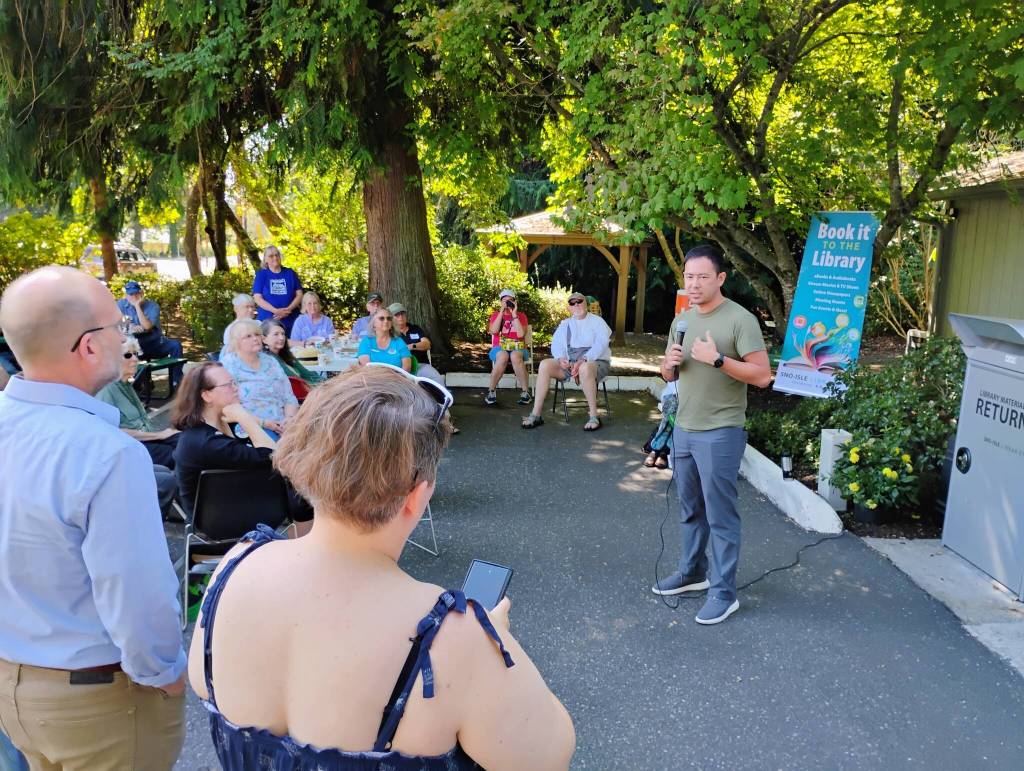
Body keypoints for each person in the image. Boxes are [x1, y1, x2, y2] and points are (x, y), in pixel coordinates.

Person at [187, 365, 576, 769]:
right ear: (417, 495)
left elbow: (204, 682)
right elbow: (549, 757)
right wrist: (495, 645)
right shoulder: (453, 637)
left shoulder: (235, 566)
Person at [0, 266, 186, 768]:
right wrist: (165, 673)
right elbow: (136, 592)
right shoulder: (105, 453)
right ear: (87, 346)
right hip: (98, 698)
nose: (125, 335)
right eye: (116, 326)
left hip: (14, 688)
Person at [652, 244, 772, 625]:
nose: (695, 283)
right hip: (684, 429)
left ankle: (724, 593)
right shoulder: (682, 320)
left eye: (703, 276)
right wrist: (667, 367)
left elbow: (763, 376)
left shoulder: (740, 320)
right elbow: (669, 374)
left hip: (721, 432)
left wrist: (718, 360)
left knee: (720, 516)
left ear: (720, 278)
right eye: (689, 276)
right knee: (690, 510)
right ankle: (692, 573)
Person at [171, 362, 313, 535]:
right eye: (228, 385)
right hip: (221, 521)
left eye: (234, 382)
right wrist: (244, 418)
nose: (236, 388)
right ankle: (301, 551)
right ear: (207, 395)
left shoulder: (215, 428)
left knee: (298, 485)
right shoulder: (205, 441)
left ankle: (301, 550)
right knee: (299, 490)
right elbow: (273, 457)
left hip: (233, 504)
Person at [521, 291, 611, 431]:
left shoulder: (598, 322)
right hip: (571, 363)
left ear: (585, 303)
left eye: (579, 301)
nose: (576, 305)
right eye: (572, 303)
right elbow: (556, 344)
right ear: (569, 307)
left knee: (585, 368)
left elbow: (601, 343)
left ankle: (594, 416)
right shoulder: (565, 324)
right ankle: (536, 414)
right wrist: (561, 358)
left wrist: (584, 359)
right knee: (545, 364)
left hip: (595, 362)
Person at [96, 336, 181, 467]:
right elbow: (110, 433)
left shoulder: (125, 385)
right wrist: (159, 435)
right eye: (128, 355)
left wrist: (162, 435)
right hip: (132, 448)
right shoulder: (106, 390)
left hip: (148, 440)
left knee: (186, 441)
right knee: (180, 455)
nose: (135, 359)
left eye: (135, 354)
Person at [221, 319, 298, 439]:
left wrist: (289, 420)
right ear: (236, 342)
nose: (255, 338)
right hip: (251, 426)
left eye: (257, 334)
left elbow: (289, 397)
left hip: (283, 424)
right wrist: (266, 424)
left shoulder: (271, 361)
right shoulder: (228, 365)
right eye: (248, 336)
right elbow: (229, 408)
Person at [117, 279, 184, 389]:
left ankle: (176, 381)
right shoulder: (121, 304)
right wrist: (132, 326)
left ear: (141, 293)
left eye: (136, 293)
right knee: (126, 348)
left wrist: (137, 306)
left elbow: (147, 327)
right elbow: (120, 324)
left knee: (175, 345)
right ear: (126, 295)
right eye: (130, 294)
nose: (133, 297)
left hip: (155, 343)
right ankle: (139, 383)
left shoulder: (153, 306)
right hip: (135, 346)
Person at [485, 289, 531, 407]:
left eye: (510, 301)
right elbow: (494, 331)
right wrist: (501, 313)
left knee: (515, 356)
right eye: (504, 301)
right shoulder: (495, 315)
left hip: (518, 347)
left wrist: (514, 314)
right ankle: (491, 391)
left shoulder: (521, 316)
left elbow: (521, 335)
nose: (507, 304)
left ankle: (525, 392)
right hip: (499, 348)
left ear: (515, 302)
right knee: (503, 356)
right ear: (500, 302)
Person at [252, 245, 303, 336]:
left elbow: (299, 294)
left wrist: (287, 310)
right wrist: (275, 311)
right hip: (269, 322)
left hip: (291, 320)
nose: (275, 258)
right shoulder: (261, 275)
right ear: (265, 260)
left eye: (277, 255)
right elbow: (257, 298)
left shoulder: (290, 273)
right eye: (271, 256)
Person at [262, 319, 322, 385]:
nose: (281, 338)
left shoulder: (285, 355)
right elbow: (298, 383)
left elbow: (308, 374)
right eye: (276, 334)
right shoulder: (269, 360)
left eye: (283, 334)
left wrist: (326, 383)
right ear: (264, 339)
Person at [357, 307, 412, 371]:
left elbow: (407, 368)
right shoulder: (366, 342)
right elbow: (366, 367)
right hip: (372, 379)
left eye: (389, 318)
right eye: (381, 318)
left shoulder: (399, 342)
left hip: (397, 379)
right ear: (374, 323)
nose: (386, 321)